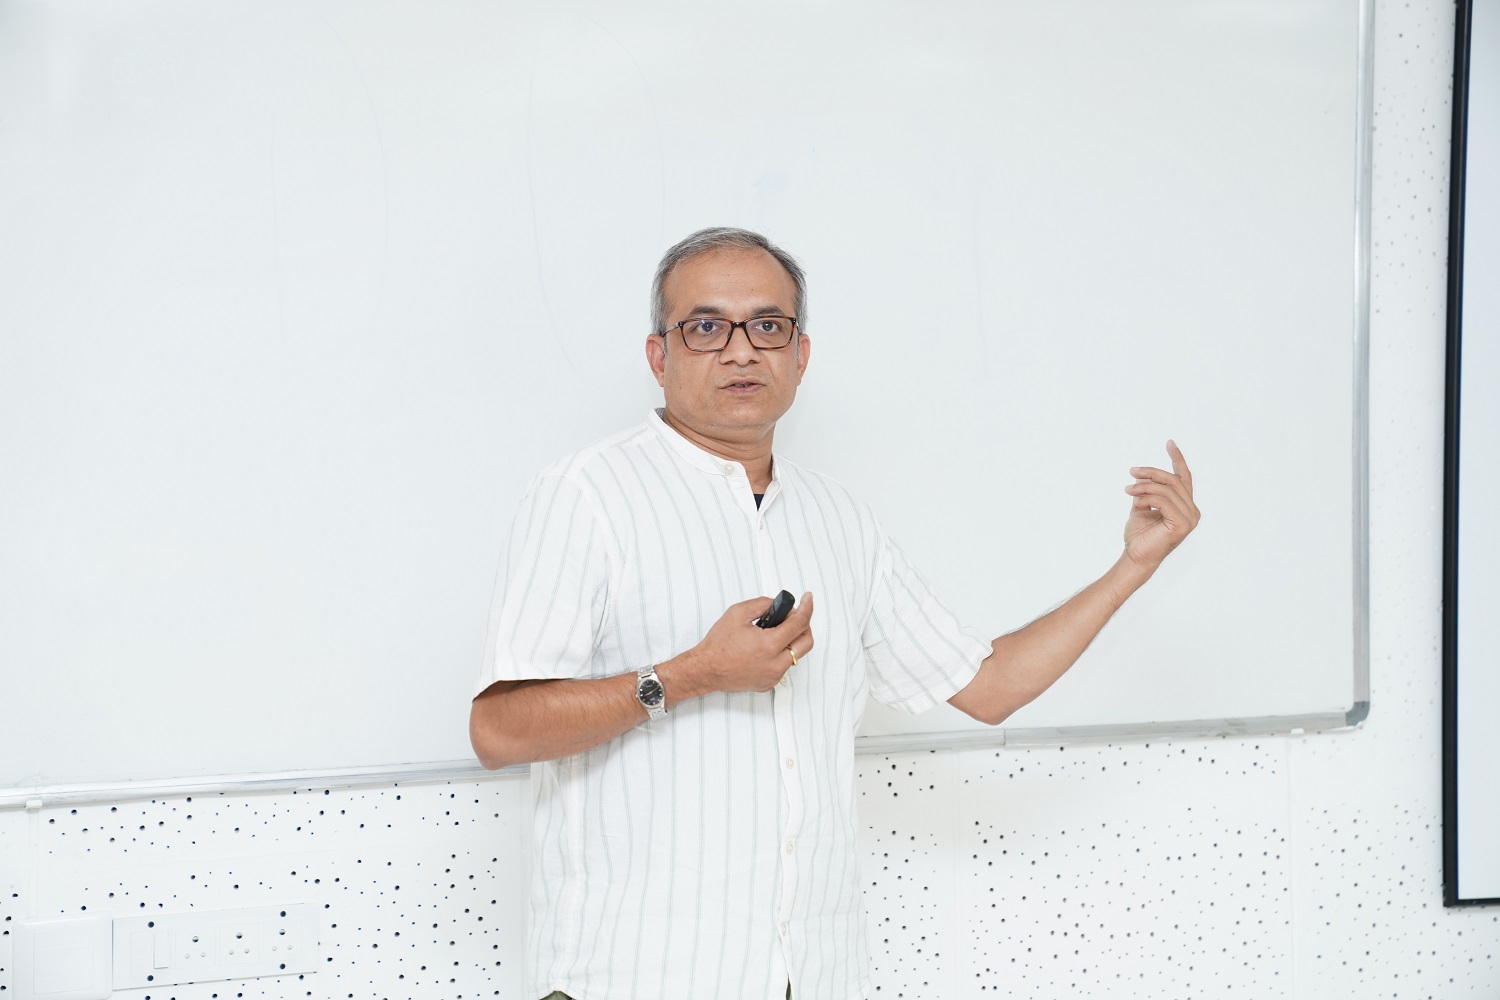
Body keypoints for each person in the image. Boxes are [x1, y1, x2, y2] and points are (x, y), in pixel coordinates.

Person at [470, 227, 1200, 1000]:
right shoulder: (587, 496)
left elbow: (990, 687)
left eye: (768, 326)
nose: (742, 351)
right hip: (631, 978)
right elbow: (499, 730)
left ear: (800, 355)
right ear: (661, 356)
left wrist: (1133, 566)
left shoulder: (838, 517)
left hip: (808, 977)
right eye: (707, 327)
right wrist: (689, 675)